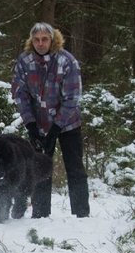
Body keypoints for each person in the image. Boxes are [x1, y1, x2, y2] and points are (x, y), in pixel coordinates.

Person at [11, 22, 90, 218]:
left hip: (68, 123)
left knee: (75, 167)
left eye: (44, 39)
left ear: (52, 39)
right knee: (40, 167)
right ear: (32, 41)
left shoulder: (67, 61)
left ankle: (81, 214)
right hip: (38, 124)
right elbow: (20, 94)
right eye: (36, 39)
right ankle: (40, 213)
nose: (40, 43)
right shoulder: (24, 61)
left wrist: (56, 128)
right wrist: (30, 124)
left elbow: (72, 97)